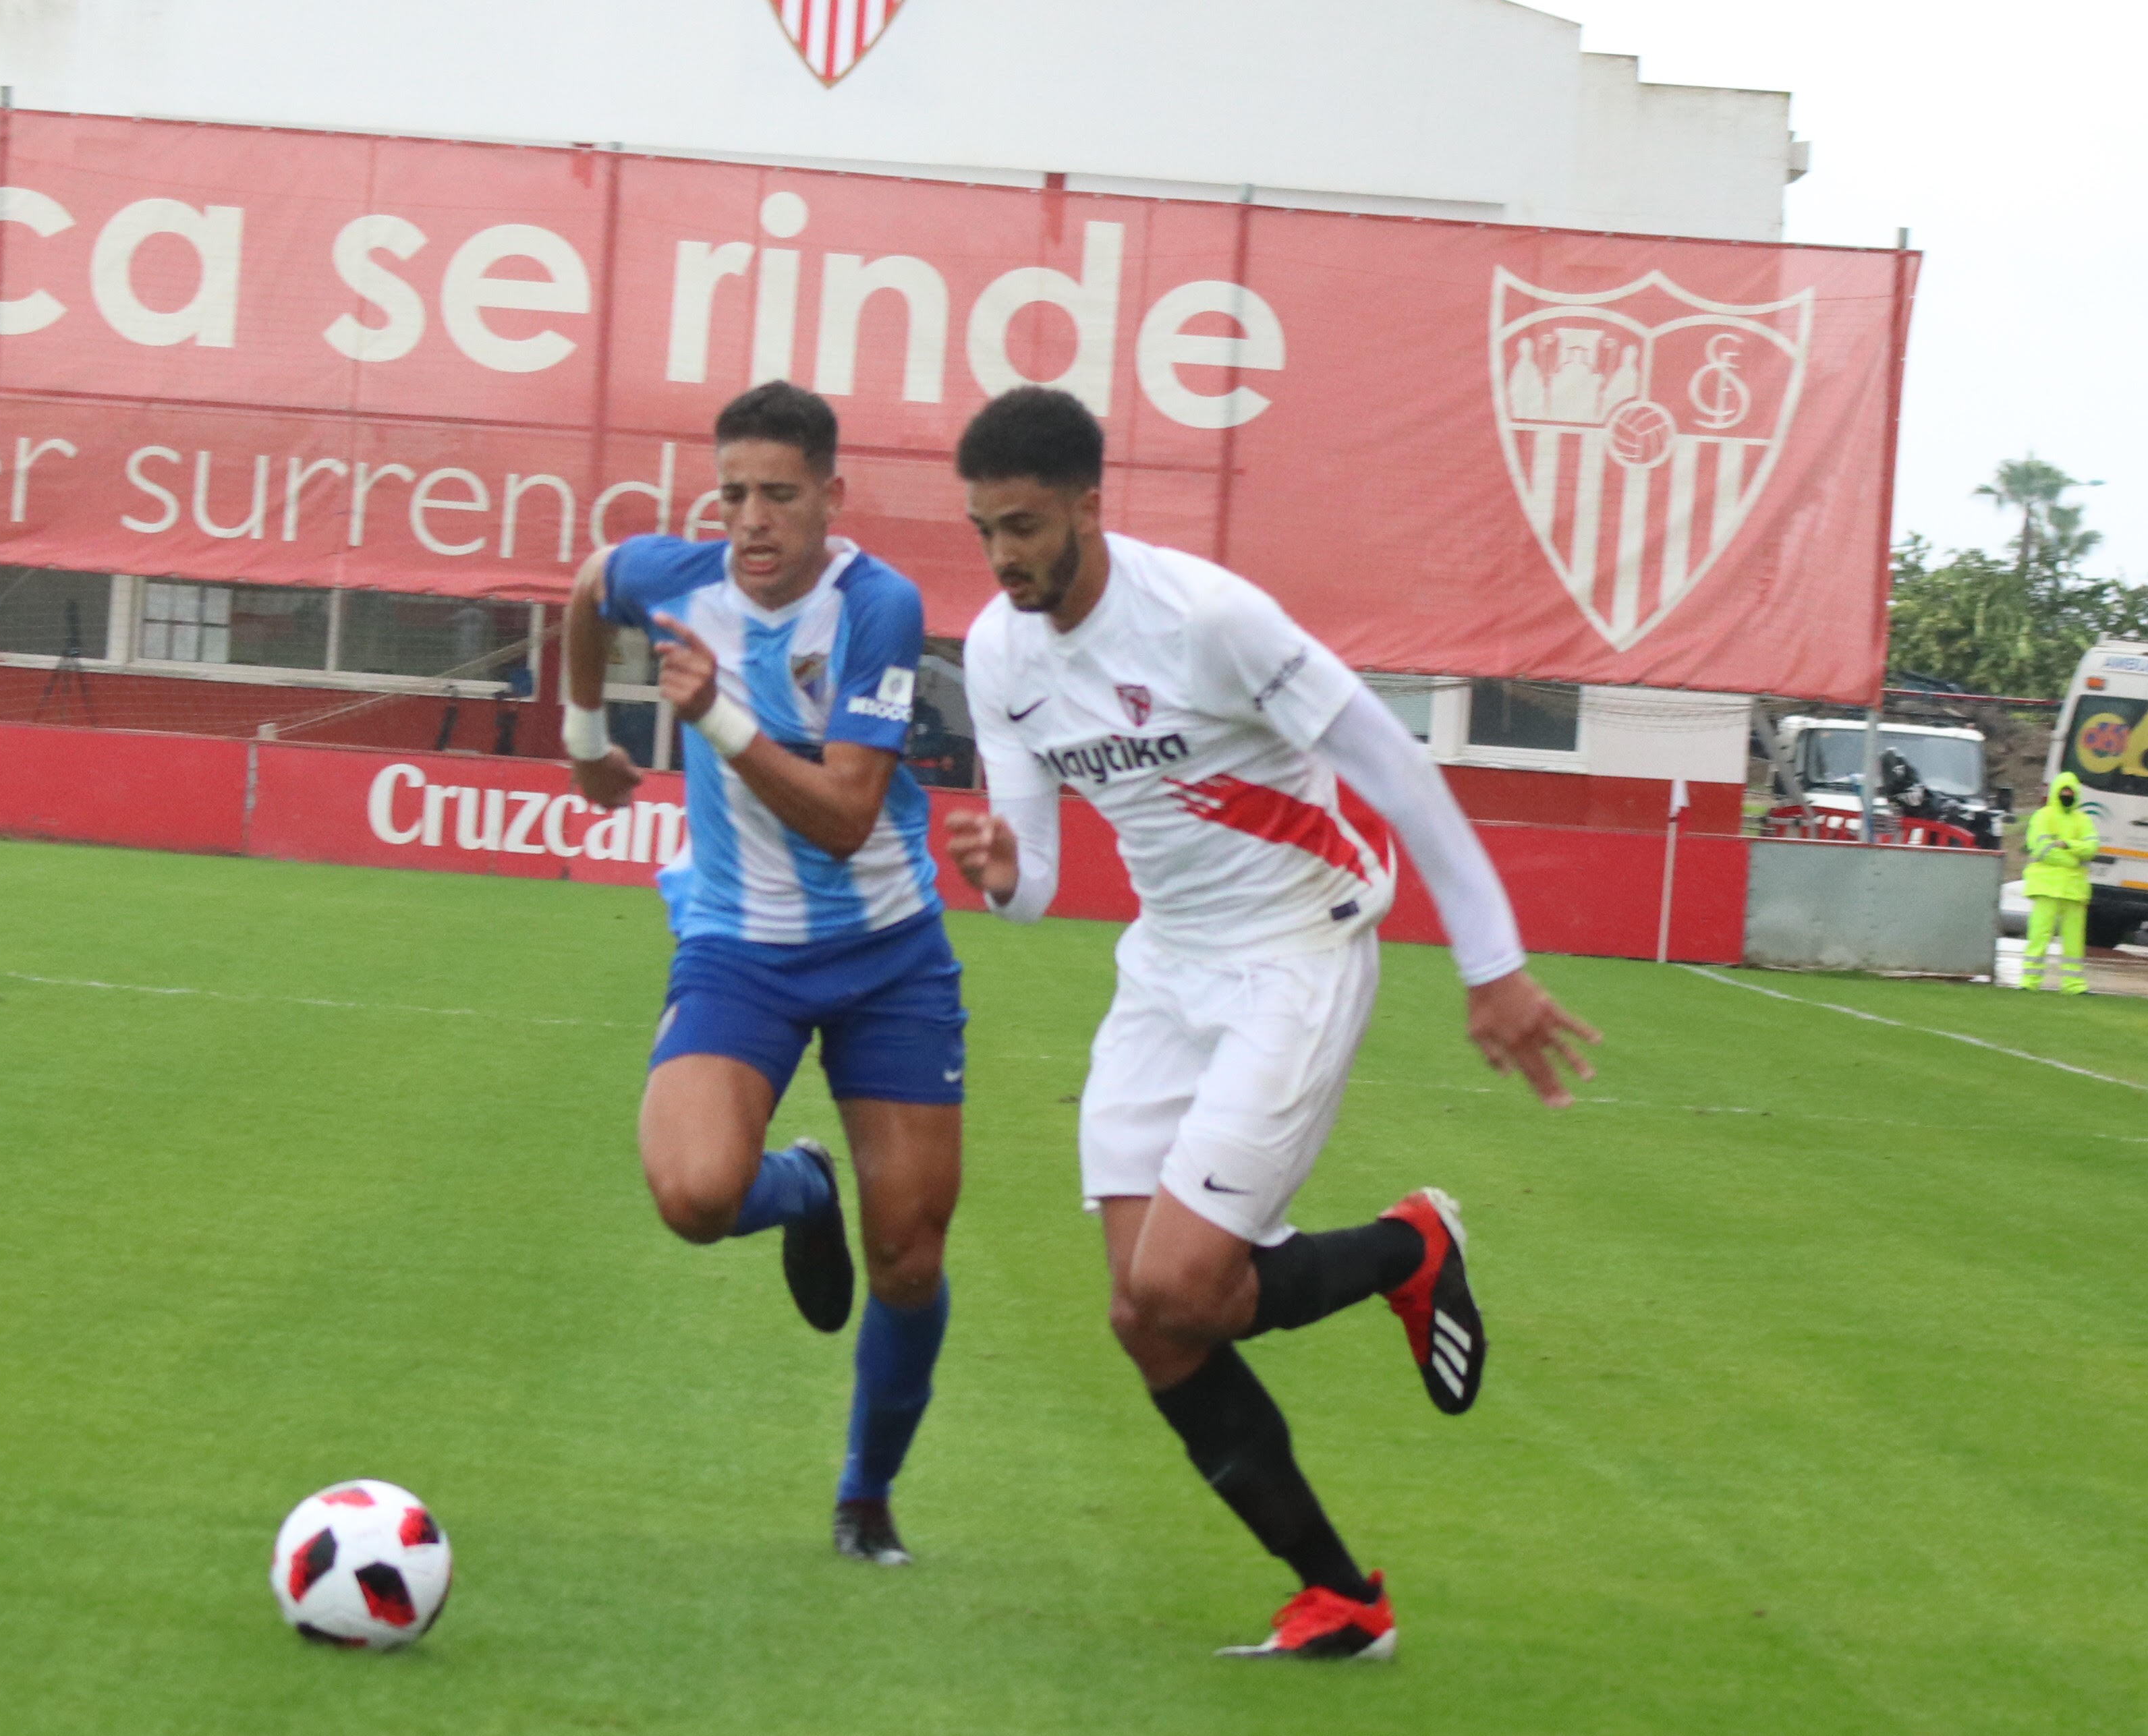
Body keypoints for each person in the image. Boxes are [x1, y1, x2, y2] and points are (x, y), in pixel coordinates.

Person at [940, 385, 1599, 1662]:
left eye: (1022, 525)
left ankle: (1407, 1249)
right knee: (1148, 1320)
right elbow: (1039, 889)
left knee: (1184, 1282)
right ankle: (1341, 1595)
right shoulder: (998, 654)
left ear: (1089, 502)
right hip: (1165, 971)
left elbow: (1394, 767)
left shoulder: (1208, 621)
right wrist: (1002, 872)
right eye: (983, 532)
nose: (1005, 556)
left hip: (1296, 954)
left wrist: (1494, 965)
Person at [561, 382, 965, 1565]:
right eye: (733, 493)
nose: (750, 519)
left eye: (779, 495)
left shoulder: (877, 606)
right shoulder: (673, 577)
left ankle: (865, 1493)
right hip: (738, 947)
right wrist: (588, 736)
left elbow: (845, 816)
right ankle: (801, 1184)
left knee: (911, 1253)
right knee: (693, 1197)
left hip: (887, 955)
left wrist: (719, 719)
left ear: (832, 499)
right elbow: (589, 586)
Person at [2017, 769, 2097, 993]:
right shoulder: (2043, 816)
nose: (2067, 795)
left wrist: (2066, 844)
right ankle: (2030, 982)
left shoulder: (2083, 820)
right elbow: (2041, 849)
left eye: (2070, 792)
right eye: (2063, 791)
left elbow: (2092, 848)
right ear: (2055, 792)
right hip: (2047, 887)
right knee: (2038, 936)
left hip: (2073, 890)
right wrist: (2073, 857)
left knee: (2073, 940)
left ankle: (2073, 985)